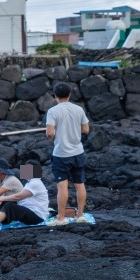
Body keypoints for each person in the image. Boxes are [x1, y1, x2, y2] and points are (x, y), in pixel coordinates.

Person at [45, 83, 90, 222]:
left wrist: (53, 139)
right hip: (78, 152)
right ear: (70, 95)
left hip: (61, 153)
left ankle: (61, 217)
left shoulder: (53, 111)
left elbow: (49, 133)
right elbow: (86, 130)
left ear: (55, 95)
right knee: (79, 184)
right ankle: (80, 215)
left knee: (62, 186)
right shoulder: (79, 109)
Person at [0, 162, 51, 230]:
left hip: (37, 216)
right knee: (5, 203)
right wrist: (3, 200)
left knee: (9, 206)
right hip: (31, 212)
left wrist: (3, 198)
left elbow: (18, 196)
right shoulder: (30, 183)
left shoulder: (35, 183)